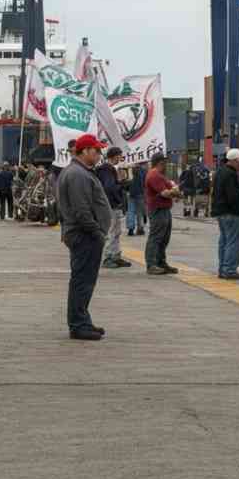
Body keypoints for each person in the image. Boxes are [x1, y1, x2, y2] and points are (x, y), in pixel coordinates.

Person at [58, 134, 113, 340]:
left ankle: (83, 320)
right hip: (85, 235)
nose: (99, 154)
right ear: (85, 151)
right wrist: (96, 232)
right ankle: (78, 324)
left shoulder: (79, 172)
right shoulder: (78, 175)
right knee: (82, 280)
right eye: (96, 150)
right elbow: (82, 210)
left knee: (83, 280)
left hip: (84, 234)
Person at [211, 147, 239, 280]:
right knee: (234, 241)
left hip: (220, 212)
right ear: (234, 160)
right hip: (232, 213)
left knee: (224, 241)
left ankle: (223, 269)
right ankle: (230, 270)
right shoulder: (231, 174)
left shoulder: (219, 172)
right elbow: (233, 195)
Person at [144, 153, 181, 275]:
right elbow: (166, 193)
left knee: (164, 238)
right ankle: (152, 264)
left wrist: (174, 191)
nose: (166, 164)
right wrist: (174, 192)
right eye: (165, 162)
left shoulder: (161, 175)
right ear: (160, 162)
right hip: (158, 209)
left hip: (164, 209)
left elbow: (172, 189)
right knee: (156, 238)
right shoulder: (154, 175)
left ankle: (161, 262)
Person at [96, 147, 131, 269]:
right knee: (111, 231)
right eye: (119, 155)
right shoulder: (107, 169)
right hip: (111, 205)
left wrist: (121, 183)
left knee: (116, 232)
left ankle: (116, 255)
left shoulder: (110, 169)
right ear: (113, 156)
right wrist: (121, 184)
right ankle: (108, 257)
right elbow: (109, 187)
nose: (120, 158)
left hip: (113, 205)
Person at [126, 162, 148, 236]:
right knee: (139, 211)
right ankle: (140, 228)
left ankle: (131, 229)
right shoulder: (144, 171)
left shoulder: (130, 169)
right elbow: (146, 183)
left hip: (131, 192)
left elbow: (127, 180)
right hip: (141, 193)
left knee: (131, 210)